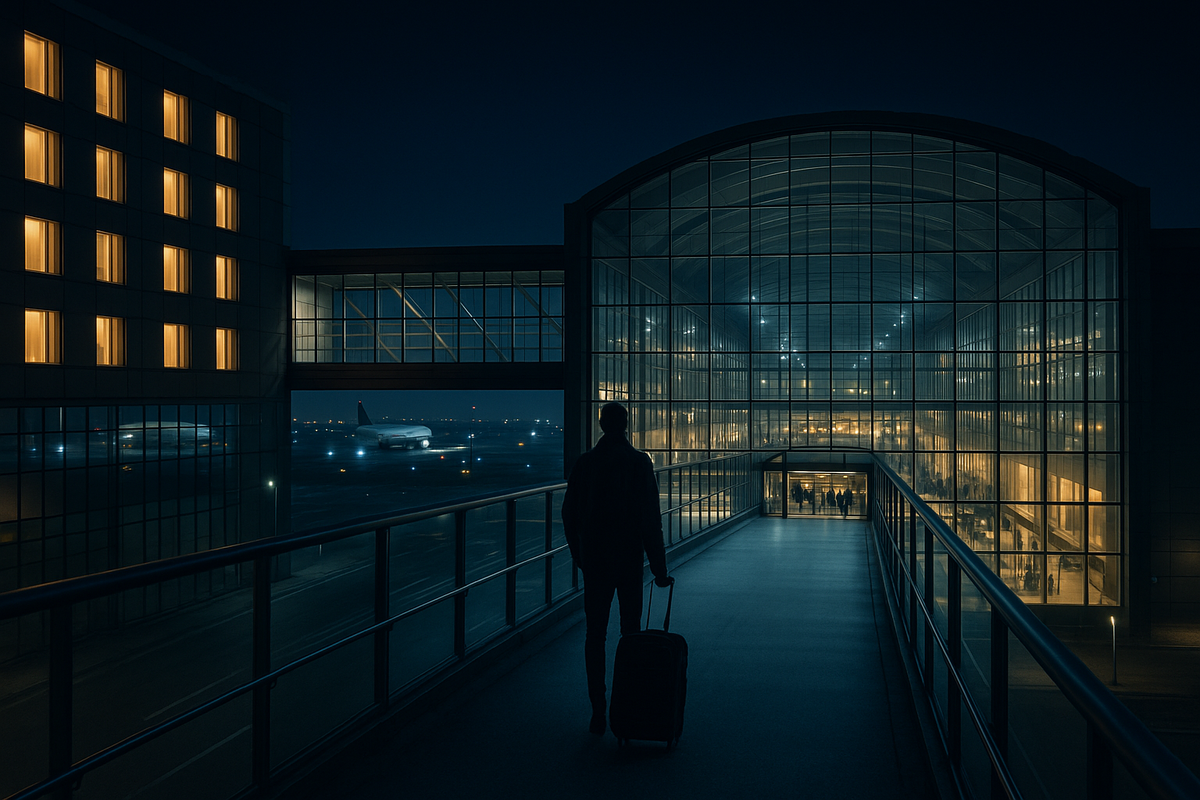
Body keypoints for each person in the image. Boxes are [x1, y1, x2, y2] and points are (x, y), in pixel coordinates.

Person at [561, 402, 672, 736]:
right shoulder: (639, 462)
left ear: (600, 424)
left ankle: (598, 709)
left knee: (595, 635)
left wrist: (580, 555)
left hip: (596, 561)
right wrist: (659, 568)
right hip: (628, 559)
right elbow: (651, 519)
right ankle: (627, 705)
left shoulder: (585, 463)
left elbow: (569, 514)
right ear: (626, 424)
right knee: (630, 632)